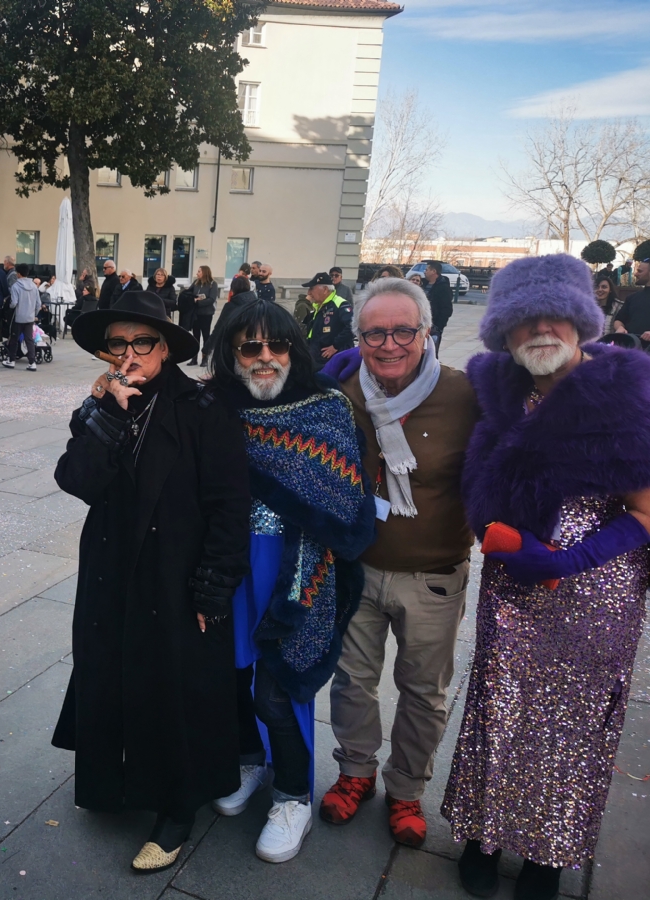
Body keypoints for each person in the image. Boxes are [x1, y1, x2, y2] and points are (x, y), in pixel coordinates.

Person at [443, 254, 650, 900]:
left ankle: (546, 855)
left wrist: (567, 561)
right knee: (496, 711)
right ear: (502, 331)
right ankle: (484, 835)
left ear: (581, 320)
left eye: (555, 316)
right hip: (510, 593)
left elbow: (646, 511)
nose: (540, 329)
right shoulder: (501, 391)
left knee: (568, 730)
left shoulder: (626, 394)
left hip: (594, 598)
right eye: (522, 319)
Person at [52, 290, 252, 873]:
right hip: (113, 571)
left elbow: (228, 505)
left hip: (175, 574)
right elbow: (76, 479)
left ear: (165, 348)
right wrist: (110, 414)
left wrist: (214, 587)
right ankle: (116, 783)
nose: (131, 353)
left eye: (143, 342)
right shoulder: (101, 407)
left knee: (175, 685)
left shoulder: (204, 410)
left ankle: (176, 809)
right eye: (119, 343)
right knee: (113, 675)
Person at [207, 300, 374, 864]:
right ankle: (251, 762)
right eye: (250, 347)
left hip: (299, 571)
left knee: (279, 688)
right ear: (231, 352)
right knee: (229, 679)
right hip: (229, 565)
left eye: (277, 345)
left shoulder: (325, 409)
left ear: (293, 349)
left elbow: (347, 499)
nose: (265, 358)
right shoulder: (212, 407)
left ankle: (293, 795)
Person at [317, 279, 479, 849]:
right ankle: (355, 773)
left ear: (427, 332)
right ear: (358, 336)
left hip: (434, 576)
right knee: (353, 682)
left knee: (423, 692)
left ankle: (406, 786)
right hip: (357, 568)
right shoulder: (340, 389)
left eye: (403, 331)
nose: (389, 344)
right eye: (375, 332)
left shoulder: (465, 394)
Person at [303, 272, 353, 363]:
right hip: (316, 356)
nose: (309, 293)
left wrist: (335, 346)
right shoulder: (318, 306)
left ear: (325, 289)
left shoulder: (340, 304)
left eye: (311, 288)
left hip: (332, 360)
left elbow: (352, 326)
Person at [4, 262, 41, 371]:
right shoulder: (34, 287)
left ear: (18, 273)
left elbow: (14, 302)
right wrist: (34, 314)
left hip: (19, 317)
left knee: (14, 338)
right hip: (30, 317)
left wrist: (10, 307)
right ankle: (32, 362)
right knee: (29, 339)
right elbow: (38, 303)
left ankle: (11, 360)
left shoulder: (16, 286)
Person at [186, 265, 220, 367]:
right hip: (195, 313)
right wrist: (191, 299)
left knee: (206, 335)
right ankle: (194, 358)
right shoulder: (196, 283)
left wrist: (199, 302)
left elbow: (211, 299)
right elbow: (188, 293)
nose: (197, 273)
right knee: (195, 336)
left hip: (206, 314)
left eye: (199, 271)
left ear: (205, 272)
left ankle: (205, 358)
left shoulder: (213, 284)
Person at [612, 257, 650, 343]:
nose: (636, 274)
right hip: (632, 349)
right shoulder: (632, 297)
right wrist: (620, 328)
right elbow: (619, 320)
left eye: (640, 271)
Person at [422, 262, 453, 356]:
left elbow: (446, 309)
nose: (424, 272)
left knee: (431, 352)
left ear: (433, 271)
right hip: (420, 323)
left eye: (427, 269)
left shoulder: (443, 287)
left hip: (434, 326)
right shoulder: (423, 284)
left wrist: (439, 326)